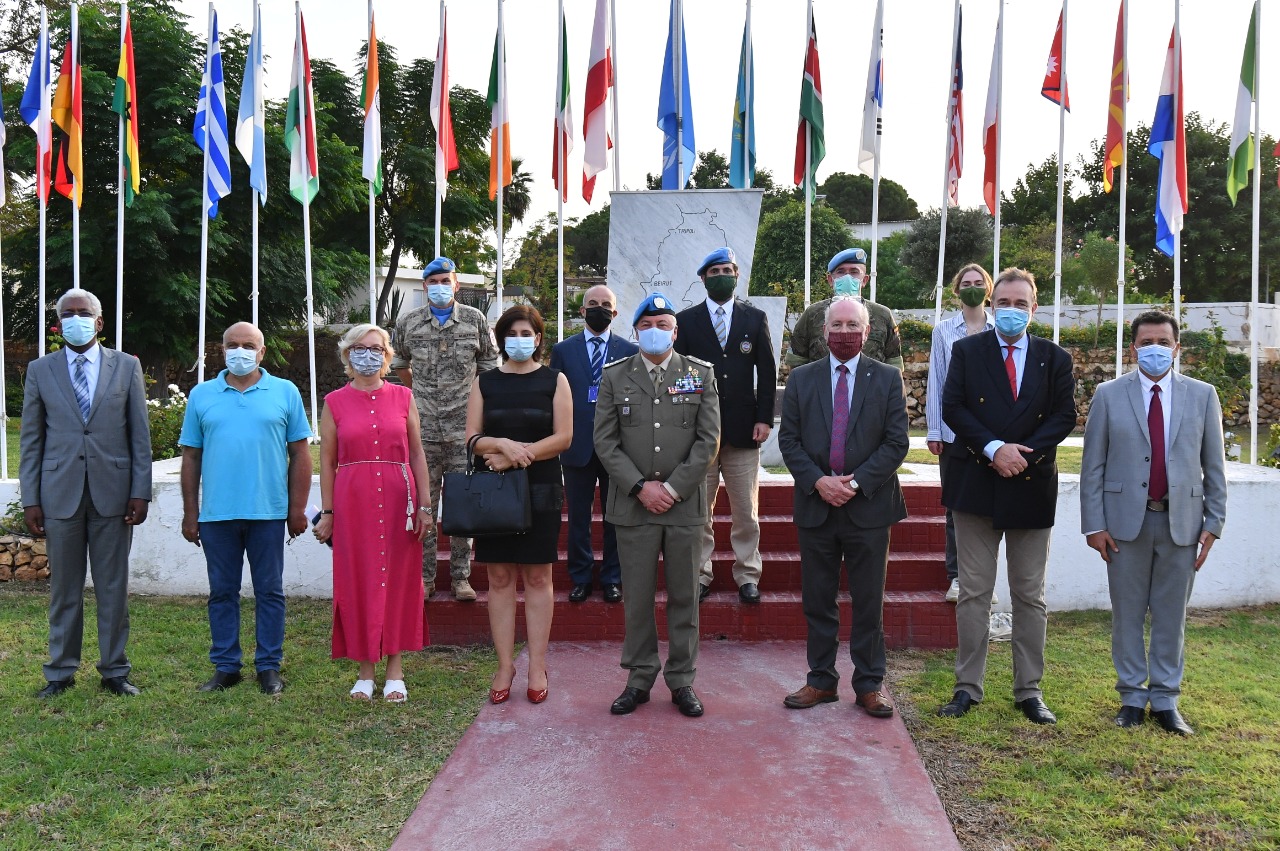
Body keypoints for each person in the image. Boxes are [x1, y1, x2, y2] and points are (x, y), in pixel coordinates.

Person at [936, 268, 1076, 725]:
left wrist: (1021, 454)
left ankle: (1028, 690)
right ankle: (967, 687)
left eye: (1021, 304)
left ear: (1034, 309)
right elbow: (953, 406)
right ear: (991, 306)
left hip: (1031, 484)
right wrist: (995, 449)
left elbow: (1063, 417)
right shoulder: (967, 350)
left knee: (1029, 595)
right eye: (1004, 303)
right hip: (976, 482)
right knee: (974, 592)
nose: (1011, 311)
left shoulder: (1054, 358)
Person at [1080, 311, 1226, 736]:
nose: (1155, 349)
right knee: (1127, 613)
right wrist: (1094, 525)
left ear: (1177, 348)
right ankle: (1130, 696)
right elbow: (1094, 467)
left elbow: (1214, 467)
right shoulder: (1109, 395)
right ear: (1133, 348)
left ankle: (1165, 699)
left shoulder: (1203, 395)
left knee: (1170, 615)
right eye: (1147, 342)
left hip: (1182, 523)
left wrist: (1213, 523)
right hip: (1126, 524)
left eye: (1164, 342)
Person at [778, 297, 909, 718]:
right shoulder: (801, 379)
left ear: (867, 332)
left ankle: (870, 684)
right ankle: (821, 681)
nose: (844, 331)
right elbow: (789, 442)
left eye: (853, 324)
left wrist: (853, 483)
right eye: (837, 324)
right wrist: (819, 481)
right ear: (824, 331)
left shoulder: (888, 378)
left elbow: (896, 442)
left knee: (869, 600)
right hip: (817, 505)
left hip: (868, 506)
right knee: (818, 599)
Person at [21, 288, 152, 699]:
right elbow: (31, 440)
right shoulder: (40, 370)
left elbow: (139, 436)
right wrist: (31, 498)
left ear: (99, 322)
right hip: (59, 494)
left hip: (114, 494)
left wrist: (140, 491)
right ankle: (60, 671)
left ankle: (115, 670)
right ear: (58, 323)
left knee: (113, 586)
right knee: (64, 588)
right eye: (68, 313)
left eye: (84, 313)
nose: (76, 319)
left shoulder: (126, 367)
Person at [594, 293, 720, 718]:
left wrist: (673, 488)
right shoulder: (615, 376)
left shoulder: (699, 374)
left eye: (663, 323)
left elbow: (708, 441)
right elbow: (605, 442)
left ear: (675, 330)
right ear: (635, 330)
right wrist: (639, 488)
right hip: (633, 507)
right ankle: (639, 677)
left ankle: (683, 679)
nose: (655, 330)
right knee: (638, 596)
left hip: (684, 506)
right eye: (647, 323)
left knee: (686, 595)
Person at [179, 322, 312, 695]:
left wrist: (296, 509)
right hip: (217, 514)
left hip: (268, 513)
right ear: (221, 350)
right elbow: (191, 456)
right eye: (232, 345)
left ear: (262, 351)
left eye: (248, 345)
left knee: (270, 591)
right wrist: (191, 513)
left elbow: (300, 454)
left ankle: (269, 667)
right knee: (222, 591)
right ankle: (226, 666)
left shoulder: (284, 392)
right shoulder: (202, 395)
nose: (240, 351)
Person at [314, 324, 432, 703]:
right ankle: (365, 671)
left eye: (377, 349)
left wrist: (425, 506)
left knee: (400, 580)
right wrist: (328, 513)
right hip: (353, 501)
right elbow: (327, 461)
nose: (369, 354)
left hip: (401, 500)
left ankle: (395, 670)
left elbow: (416, 454)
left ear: (387, 356)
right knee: (357, 580)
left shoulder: (404, 396)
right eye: (360, 348)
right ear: (348, 355)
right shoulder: (334, 402)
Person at [467, 305, 572, 705]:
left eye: (527, 332)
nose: (520, 340)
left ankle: (538, 664)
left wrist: (515, 455)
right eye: (512, 333)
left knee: (538, 578)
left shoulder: (554, 381)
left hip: (540, 487)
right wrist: (499, 446)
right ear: (501, 339)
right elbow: (472, 437)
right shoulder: (486, 382)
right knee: (498, 578)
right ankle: (504, 665)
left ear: (539, 338)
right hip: (494, 491)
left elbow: (564, 438)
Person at [392, 256, 500, 602]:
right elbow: (399, 364)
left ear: (456, 284)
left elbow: (488, 367)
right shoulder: (408, 322)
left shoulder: (474, 320)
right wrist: (420, 393)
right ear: (425, 285)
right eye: (433, 281)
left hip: (462, 430)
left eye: (446, 280)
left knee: (461, 506)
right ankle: (424, 579)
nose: (439, 286)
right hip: (421, 430)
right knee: (424, 505)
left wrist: (470, 404)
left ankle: (460, 578)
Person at [674, 247, 776, 605]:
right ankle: (700, 573)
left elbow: (766, 372)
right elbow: (679, 374)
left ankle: (748, 574)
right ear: (703, 278)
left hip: (744, 431)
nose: (721, 276)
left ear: (736, 274)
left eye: (727, 270)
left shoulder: (754, 317)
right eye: (714, 271)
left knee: (746, 510)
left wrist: (764, 417)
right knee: (700, 509)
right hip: (700, 434)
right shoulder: (685, 321)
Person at [550, 285, 638, 604]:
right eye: (592, 304)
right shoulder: (563, 351)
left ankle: (613, 578)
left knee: (616, 518)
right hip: (577, 446)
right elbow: (555, 399)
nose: (599, 309)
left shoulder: (629, 351)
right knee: (578, 518)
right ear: (582, 310)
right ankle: (581, 577)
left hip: (618, 449)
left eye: (605, 305)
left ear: (614, 313)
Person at [926, 264, 996, 605]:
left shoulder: (1002, 327)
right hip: (954, 434)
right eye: (965, 283)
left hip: (994, 434)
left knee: (992, 506)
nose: (972, 287)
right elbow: (937, 380)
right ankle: (955, 577)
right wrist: (935, 428)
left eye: (978, 282)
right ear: (957, 290)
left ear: (988, 287)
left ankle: (986, 579)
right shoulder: (943, 331)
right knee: (955, 507)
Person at [784, 248, 904, 372]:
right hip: (821, 388)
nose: (847, 277)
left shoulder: (882, 315)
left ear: (864, 280)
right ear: (830, 280)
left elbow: (894, 363)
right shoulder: (812, 314)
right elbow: (796, 361)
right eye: (840, 272)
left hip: (871, 388)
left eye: (854, 272)